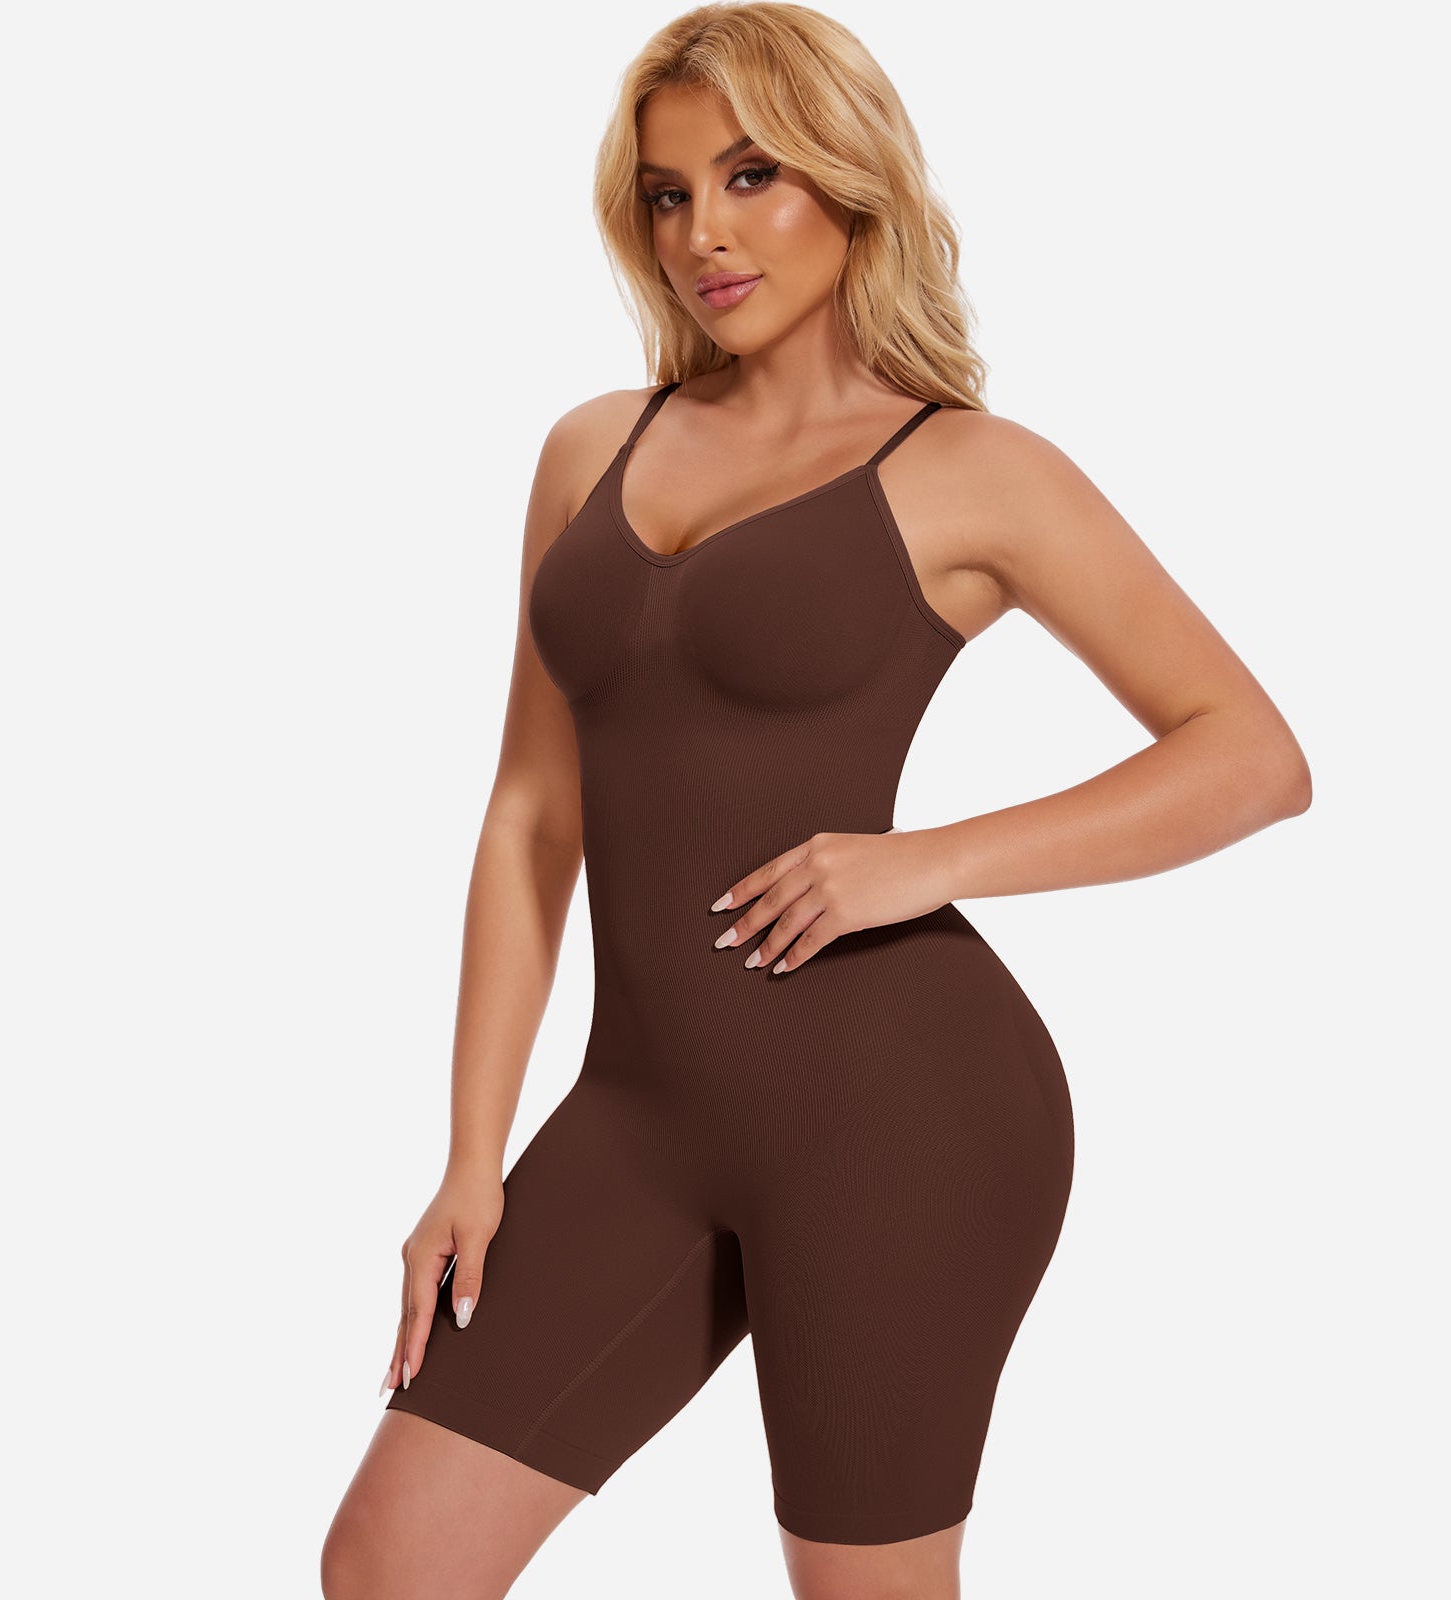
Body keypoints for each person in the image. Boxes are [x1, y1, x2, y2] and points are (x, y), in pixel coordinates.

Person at [321, 4, 1312, 1597]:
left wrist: (922, 862)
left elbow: (1251, 755)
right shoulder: (591, 449)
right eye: (667, 195)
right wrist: (471, 1156)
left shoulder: (977, 470)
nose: (701, 234)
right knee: (389, 1564)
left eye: (750, 176)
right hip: (636, 1117)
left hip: (899, 1116)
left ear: (850, 181)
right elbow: (531, 818)